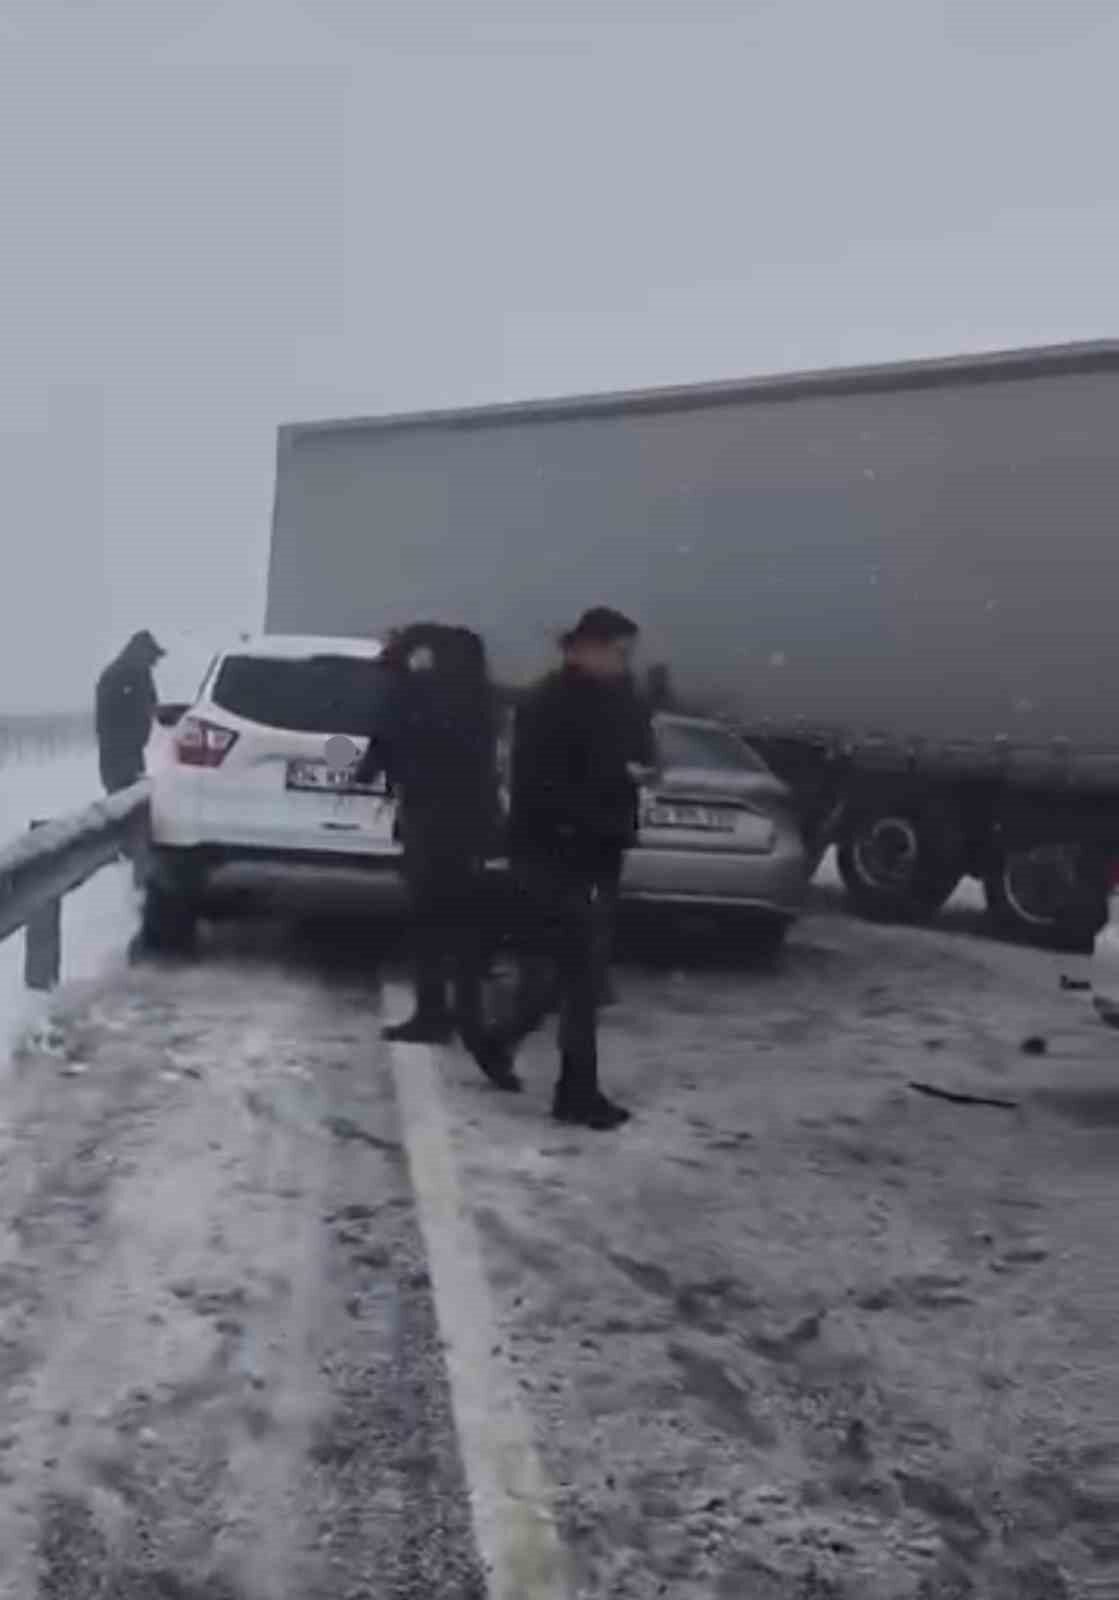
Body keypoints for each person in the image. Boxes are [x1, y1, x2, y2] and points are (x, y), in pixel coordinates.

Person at [482, 606, 651, 1129]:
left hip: (600, 853)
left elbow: (644, 755)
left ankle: (497, 1040)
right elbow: (537, 787)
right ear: (583, 648)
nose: (625, 662)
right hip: (550, 854)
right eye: (618, 651)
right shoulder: (546, 703)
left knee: (557, 978)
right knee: (580, 976)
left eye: (629, 653)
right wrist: (596, 803)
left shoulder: (624, 701)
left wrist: (641, 770)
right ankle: (576, 1093)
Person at [355, 623, 508, 1068]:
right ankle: (467, 1016)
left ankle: (433, 1014)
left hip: (428, 821)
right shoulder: (480, 699)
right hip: (471, 826)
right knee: (462, 923)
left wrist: (400, 655)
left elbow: (384, 740)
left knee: (429, 922)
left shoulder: (415, 693)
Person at [95, 630, 165, 795]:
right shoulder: (120, 675)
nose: (155, 662)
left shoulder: (139, 673)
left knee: (132, 798)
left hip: (131, 750)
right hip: (119, 754)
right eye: (152, 656)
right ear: (142, 653)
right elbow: (111, 719)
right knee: (123, 799)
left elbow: (150, 704)